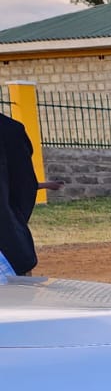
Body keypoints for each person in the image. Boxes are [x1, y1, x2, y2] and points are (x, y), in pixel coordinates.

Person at [0, 111, 38, 278]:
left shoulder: (9, 131)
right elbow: (25, 189)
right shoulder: (9, 130)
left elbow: (25, 189)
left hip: (7, 253)